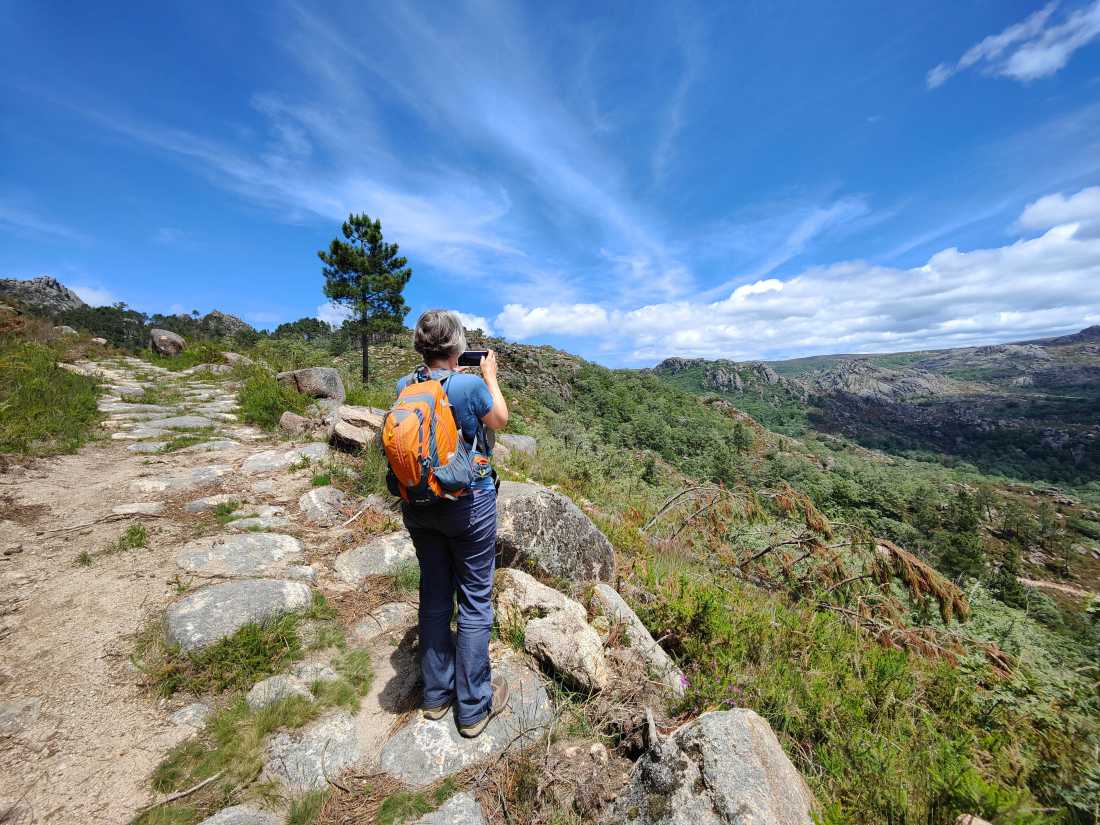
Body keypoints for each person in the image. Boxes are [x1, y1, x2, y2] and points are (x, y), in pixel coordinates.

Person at [396, 309, 510, 738]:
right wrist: (491, 375)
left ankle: (435, 696)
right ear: (458, 347)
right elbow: (499, 419)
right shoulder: (469, 384)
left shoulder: (404, 386)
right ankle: (473, 707)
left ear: (421, 347)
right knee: (476, 600)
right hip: (468, 503)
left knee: (435, 595)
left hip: (420, 506)